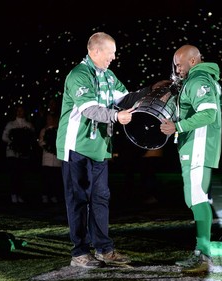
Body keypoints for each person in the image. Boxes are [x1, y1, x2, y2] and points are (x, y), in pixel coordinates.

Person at [56, 32, 161, 269]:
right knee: (78, 201)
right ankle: (79, 253)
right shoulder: (78, 75)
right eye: (111, 52)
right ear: (95, 51)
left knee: (101, 198)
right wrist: (115, 116)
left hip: (101, 148)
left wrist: (150, 89)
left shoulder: (109, 76)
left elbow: (126, 99)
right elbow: (90, 109)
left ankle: (104, 249)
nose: (114, 57)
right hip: (76, 148)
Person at [160, 44, 222, 274]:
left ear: (193, 61)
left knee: (197, 198)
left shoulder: (199, 79)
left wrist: (178, 126)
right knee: (194, 198)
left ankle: (203, 253)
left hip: (198, 146)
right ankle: (201, 251)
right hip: (195, 146)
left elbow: (208, 113)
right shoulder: (197, 80)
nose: (176, 69)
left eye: (179, 63)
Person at [2, 105, 36, 203]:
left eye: (21, 110)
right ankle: (13, 194)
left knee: (21, 175)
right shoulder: (10, 124)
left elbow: (32, 138)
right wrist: (14, 143)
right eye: (18, 110)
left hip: (23, 154)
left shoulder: (29, 125)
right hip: (12, 154)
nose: (19, 112)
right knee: (13, 175)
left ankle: (20, 194)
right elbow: (4, 137)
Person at [38, 98, 62, 203]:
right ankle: (45, 195)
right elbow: (41, 142)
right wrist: (48, 145)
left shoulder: (59, 131)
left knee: (56, 178)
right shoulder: (44, 130)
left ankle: (54, 195)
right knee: (46, 178)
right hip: (47, 158)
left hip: (57, 159)